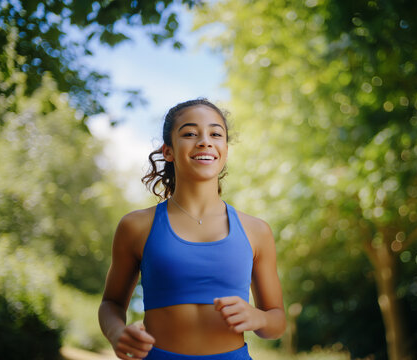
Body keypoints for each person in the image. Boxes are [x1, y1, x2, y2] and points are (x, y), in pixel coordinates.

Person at [98, 99, 286, 360]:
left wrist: (257, 318)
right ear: (168, 151)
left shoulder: (256, 230)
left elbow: (276, 321)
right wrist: (117, 333)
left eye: (215, 134)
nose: (205, 141)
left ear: (225, 150)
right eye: (189, 133)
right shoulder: (136, 226)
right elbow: (111, 304)